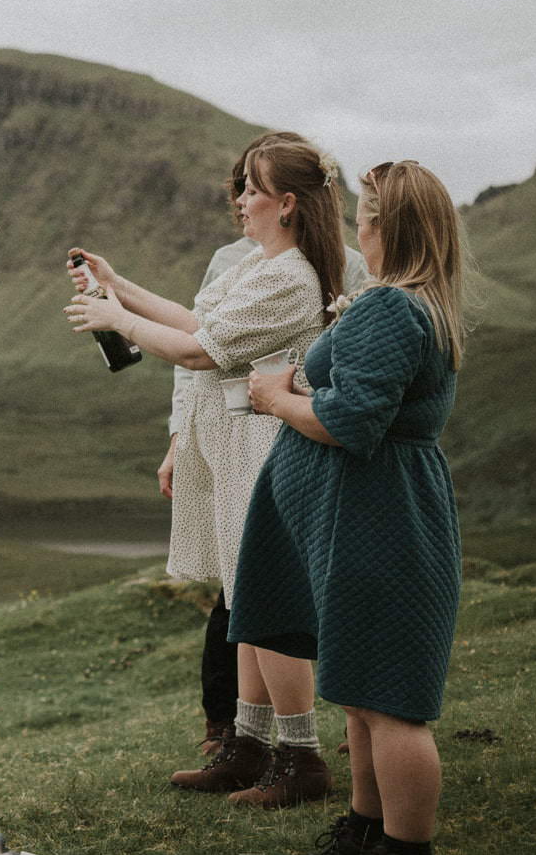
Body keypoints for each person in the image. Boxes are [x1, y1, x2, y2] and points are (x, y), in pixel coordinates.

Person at [67, 133, 362, 809]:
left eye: (254, 189)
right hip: (240, 445)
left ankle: (300, 755)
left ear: (286, 203)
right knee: (246, 597)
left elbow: (201, 351)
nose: (241, 200)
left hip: (266, 445)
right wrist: (119, 288)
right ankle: (249, 745)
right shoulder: (265, 264)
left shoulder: (289, 276)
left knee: (272, 604)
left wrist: (116, 320)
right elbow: (200, 318)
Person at [236, 160, 470, 855]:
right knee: (363, 692)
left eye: (366, 212)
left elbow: (349, 421)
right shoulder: (410, 307)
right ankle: (367, 828)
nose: (356, 224)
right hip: (365, 519)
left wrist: (278, 396)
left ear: (387, 225)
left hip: (380, 522)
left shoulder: (392, 310)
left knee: (392, 700)